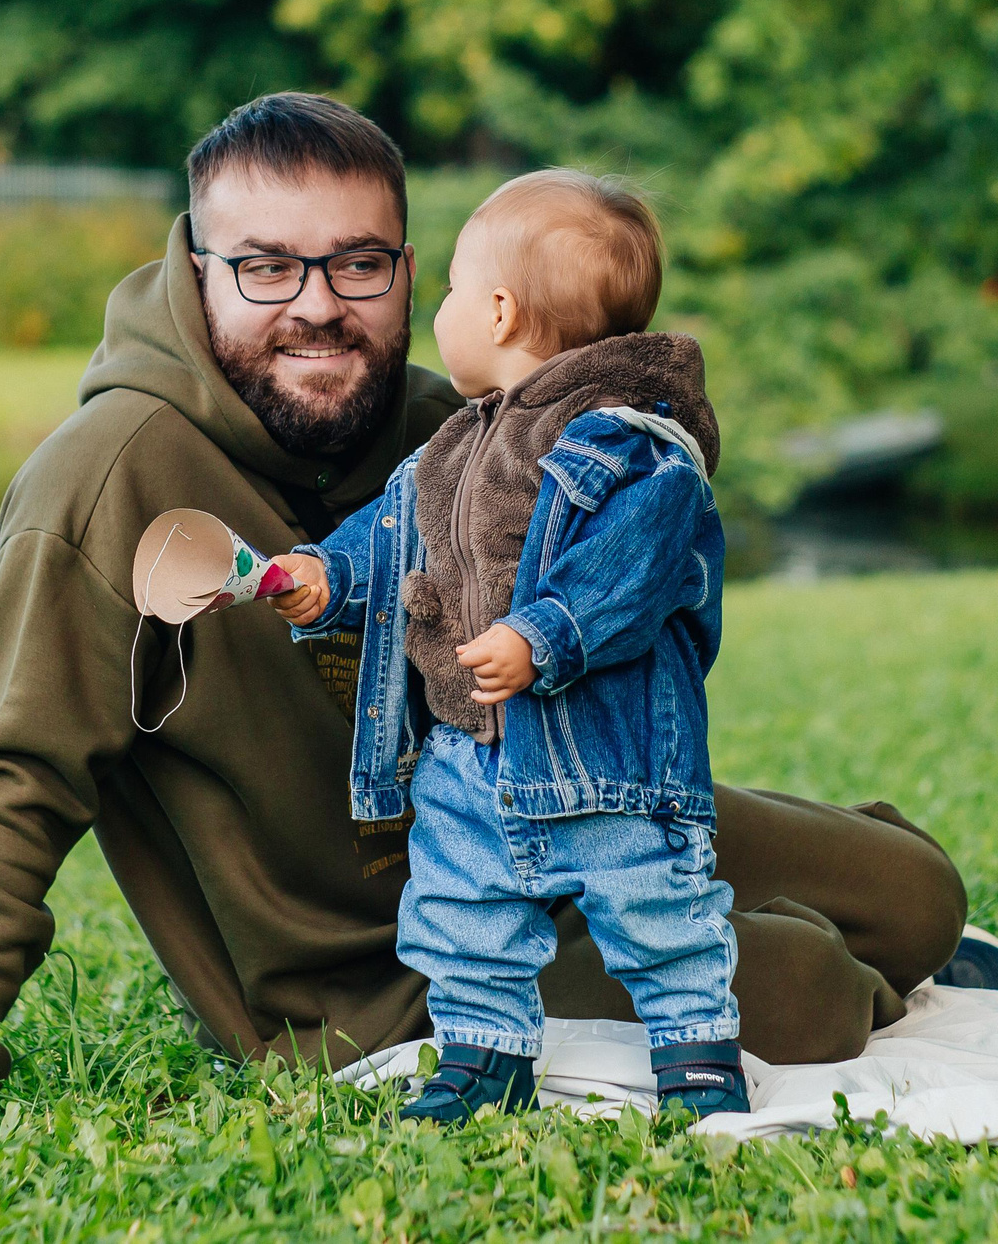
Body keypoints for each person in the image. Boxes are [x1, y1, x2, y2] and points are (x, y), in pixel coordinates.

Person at [0, 93, 979, 1139]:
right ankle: (781, 961)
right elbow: (12, 780)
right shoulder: (105, 478)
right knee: (806, 992)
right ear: (197, 272)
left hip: (555, 808)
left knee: (919, 896)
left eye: (357, 265)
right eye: (264, 267)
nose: (316, 305)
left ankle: (765, 921)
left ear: (410, 272)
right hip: (375, 976)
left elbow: (631, 533)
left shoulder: (450, 424)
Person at [275, 171, 751, 1121]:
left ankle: (696, 1056)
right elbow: (396, 530)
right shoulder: (456, 448)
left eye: (449, 288)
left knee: (658, 911)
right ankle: (483, 1057)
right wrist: (327, 576)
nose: (438, 308)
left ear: (496, 309)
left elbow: (637, 564)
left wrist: (543, 635)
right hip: (466, 753)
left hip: (602, 758)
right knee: (459, 915)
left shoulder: (630, 443)